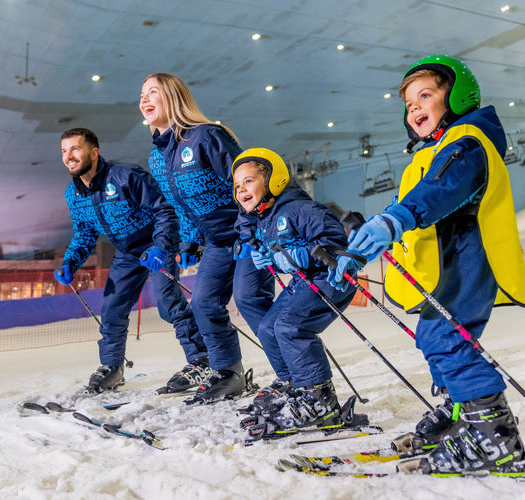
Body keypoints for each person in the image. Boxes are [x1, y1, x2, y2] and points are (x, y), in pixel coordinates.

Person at [329, 55, 525, 476]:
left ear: (456, 95)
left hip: (468, 259)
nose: (415, 108)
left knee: (446, 340)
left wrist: (397, 219)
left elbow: (441, 191)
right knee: (435, 337)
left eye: (426, 95)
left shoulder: (467, 143)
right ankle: (464, 417)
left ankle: (495, 438)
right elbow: (411, 198)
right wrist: (363, 246)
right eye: (408, 104)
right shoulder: (438, 149)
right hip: (447, 263)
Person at [140, 73, 275, 403]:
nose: (144, 98)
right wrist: (188, 241)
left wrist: (249, 230)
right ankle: (228, 372)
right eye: (141, 94)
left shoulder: (207, 136)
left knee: (248, 299)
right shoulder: (157, 158)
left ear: (173, 98)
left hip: (250, 231)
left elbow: (248, 179)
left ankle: (296, 377)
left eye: (153, 92)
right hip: (217, 241)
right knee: (203, 303)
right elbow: (179, 205)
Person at [56, 127, 209, 394]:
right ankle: (112, 369)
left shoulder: (125, 176)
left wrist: (161, 246)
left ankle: (202, 361)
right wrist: (70, 262)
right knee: (113, 309)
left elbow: (165, 210)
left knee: (168, 304)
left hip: (155, 245)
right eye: (64, 151)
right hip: (127, 253)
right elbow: (84, 232)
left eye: (75, 149)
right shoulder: (74, 194)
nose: (69, 156)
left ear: (94, 152)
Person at [230, 148, 357, 438]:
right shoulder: (267, 217)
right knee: (268, 327)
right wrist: (264, 253)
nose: (241, 190)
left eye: (248, 182)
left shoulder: (301, 209)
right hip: (305, 280)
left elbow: (335, 241)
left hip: (331, 278)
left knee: (290, 327)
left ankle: (320, 400)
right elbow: (273, 246)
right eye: (237, 186)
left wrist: (302, 255)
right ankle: (295, 387)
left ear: (273, 180)